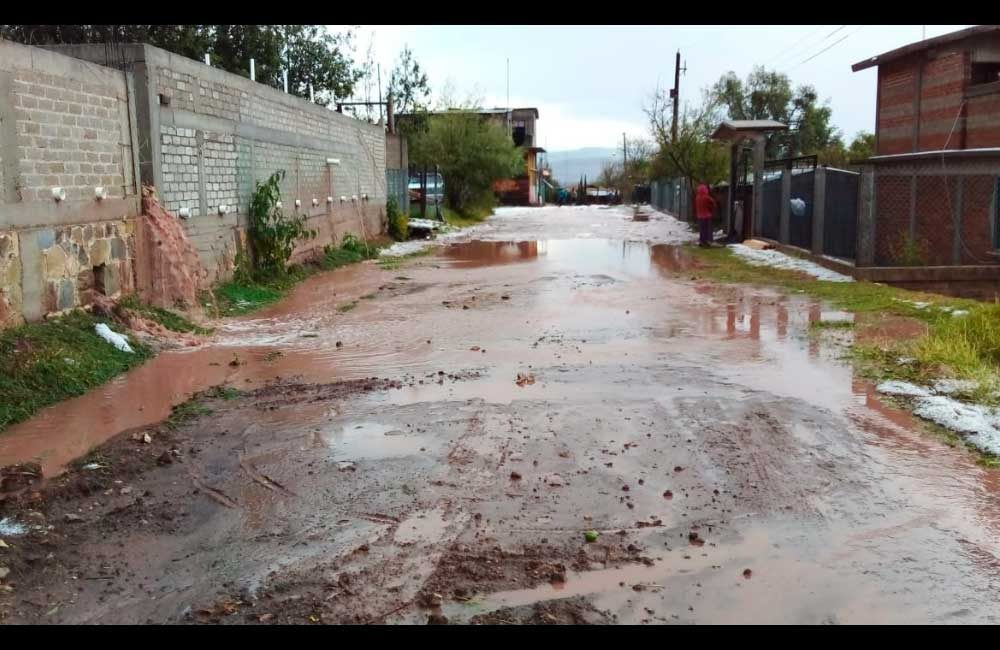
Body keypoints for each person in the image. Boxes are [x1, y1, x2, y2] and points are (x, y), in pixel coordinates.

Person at [695, 183, 717, 247]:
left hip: (699, 216)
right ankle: (709, 242)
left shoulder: (697, 197)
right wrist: (711, 208)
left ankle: (702, 241)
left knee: (702, 230)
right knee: (708, 230)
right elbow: (713, 203)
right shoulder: (707, 197)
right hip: (707, 216)